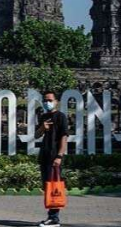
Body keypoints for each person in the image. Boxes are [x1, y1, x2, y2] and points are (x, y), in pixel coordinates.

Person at [35, 90, 68, 227]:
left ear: (56, 102)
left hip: (54, 157)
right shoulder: (43, 116)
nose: (47, 103)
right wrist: (43, 127)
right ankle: (52, 217)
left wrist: (59, 156)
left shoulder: (61, 117)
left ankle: (54, 218)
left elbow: (64, 137)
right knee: (47, 186)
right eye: (45, 100)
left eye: (49, 100)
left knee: (54, 187)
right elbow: (37, 135)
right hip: (44, 155)